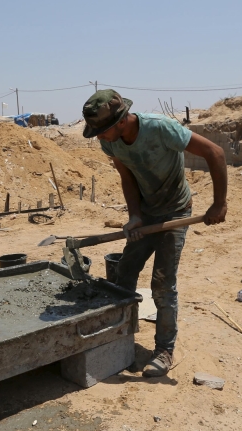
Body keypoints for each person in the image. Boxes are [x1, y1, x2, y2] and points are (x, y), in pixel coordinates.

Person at [82, 89, 227, 378]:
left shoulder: (160, 129)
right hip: (146, 213)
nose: (99, 137)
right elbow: (127, 177)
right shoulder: (111, 144)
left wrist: (219, 203)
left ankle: (164, 349)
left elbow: (216, 152)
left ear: (122, 121)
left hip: (175, 210)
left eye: (103, 130)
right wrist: (134, 216)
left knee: (162, 282)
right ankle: (121, 335)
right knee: (124, 273)